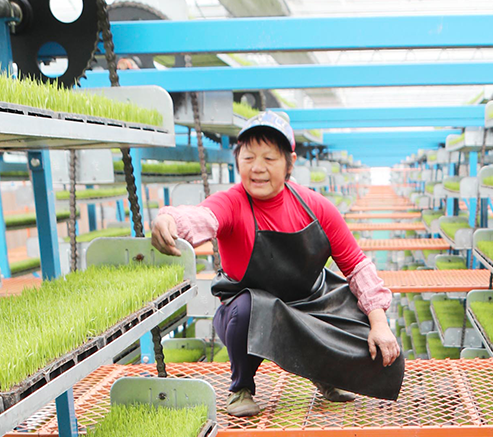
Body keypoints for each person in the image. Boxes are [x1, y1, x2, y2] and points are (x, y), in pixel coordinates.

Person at [150, 109, 404, 417]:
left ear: (289, 164)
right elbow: (202, 217)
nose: (257, 168)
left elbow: (356, 266)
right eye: (248, 158)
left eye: (269, 159)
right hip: (251, 310)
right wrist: (169, 218)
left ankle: (326, 374)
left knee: (366, 323)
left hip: (310, 303)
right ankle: (242, 387)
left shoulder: (316, 207)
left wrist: (379, 325)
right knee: (246, 308)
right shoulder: (232, 202)